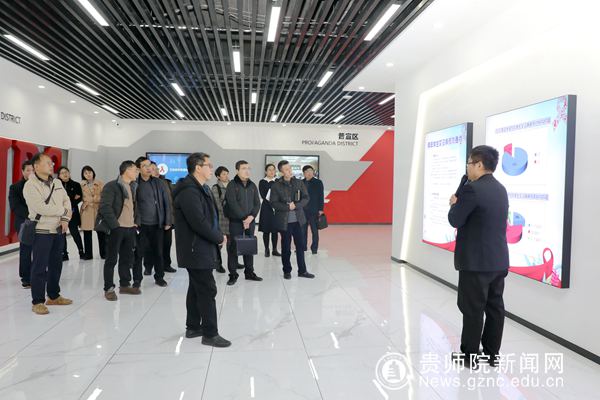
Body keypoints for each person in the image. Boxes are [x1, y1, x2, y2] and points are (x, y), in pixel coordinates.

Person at [448, 145, 509, 369]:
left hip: (475, 263)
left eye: (469, 164)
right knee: (495, 308)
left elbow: (455, 220)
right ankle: (492, 354)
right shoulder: (501, 189)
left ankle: (469, 356)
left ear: (479, 165)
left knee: (473, 309)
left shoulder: (472, 190)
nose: (468, 168)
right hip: (498, 260)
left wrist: (454, 204)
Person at [173, 152, 231, 347]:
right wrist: (218, 237)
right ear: (198, 168)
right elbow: (198, 222)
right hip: (195, 248)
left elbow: (211, 217)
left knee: (196, 288)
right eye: (209, 165)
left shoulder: (202, 188)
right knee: (207, 289)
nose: (212, 168)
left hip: (201, 246)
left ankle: (193, 327)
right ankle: (210, 334)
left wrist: (217, 234)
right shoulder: (189, 192)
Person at [23, 153, 73, 315]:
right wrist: (63, 211)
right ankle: (37, 301)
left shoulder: (57, 182)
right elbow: (40, 208)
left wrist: (65, 219)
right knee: (39, 266)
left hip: (58, 229)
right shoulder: (30, 185)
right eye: (47, 163)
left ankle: (53, 296)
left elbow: (67, 201)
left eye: (51, 163)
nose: (51, 165)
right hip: (42, 231)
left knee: (56, 265)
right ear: (36, 166)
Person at [98, 160, 140, 301]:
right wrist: (115, 226)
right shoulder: (112, 186)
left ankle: (124, 285)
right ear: (126, 170)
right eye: (134, 169)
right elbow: (105, 207)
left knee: (127, 259)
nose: (137, 172)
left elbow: (134, 207)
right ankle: (109, 288)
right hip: (116, 228)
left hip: (130, 228)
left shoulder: (133, 186)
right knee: (111, 259)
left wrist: (135, 223)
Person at [270, 160, 315, 279]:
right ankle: (287, 271)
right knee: (286, 248)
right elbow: (273, 203)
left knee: (300, 246)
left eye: (290, 168)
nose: (290, 171)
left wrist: (296, 205)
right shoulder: (276, 186)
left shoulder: (299, 182)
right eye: (286, 169)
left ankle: (302, 271)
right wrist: (287, 207)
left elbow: (306, 198)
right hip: (284, 222)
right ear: (281, 172)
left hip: (299, 221)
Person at [134, 156, 173, 287]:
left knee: (158, 252)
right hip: (140, 225)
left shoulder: (158, 183)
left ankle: (159, 277)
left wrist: (168, 221)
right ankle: (137, 279)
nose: (149, 168)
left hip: (157, 224)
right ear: (138, 169)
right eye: (144, 166)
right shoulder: (135, 184)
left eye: (149, 165)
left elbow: (167, 203)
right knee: (138, 253)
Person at [224, 160, 263, 286]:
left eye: (248, 168)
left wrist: (251, 217)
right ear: (237, 170)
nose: (247, 171)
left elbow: (257, 203)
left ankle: (249, 273)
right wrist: (243, 218)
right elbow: (232, 203)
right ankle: (233, 274)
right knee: (233, 248)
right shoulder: (232, 185)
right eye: (243, 168)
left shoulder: (252, 185)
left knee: (248, 247)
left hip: (250, 222)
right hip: (236, 222)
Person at [211, 166, 245, 274]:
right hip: (222, 219)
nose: (226, 176)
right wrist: (231, 210)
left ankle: (235, 262)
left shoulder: (233, 185)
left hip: (233, 219)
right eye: (223, 174)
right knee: (219, 243)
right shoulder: (215, 188)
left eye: (227, 173)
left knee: (233, 242)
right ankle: (217, 264)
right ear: (218, 176)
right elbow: (217, 205)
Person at [9, 160, 34, 288]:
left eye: (33, 170)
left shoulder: (40, 185)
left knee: (40, 250)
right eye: (28, 170)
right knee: (26, 250)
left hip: (41, 222)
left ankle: (38, 274)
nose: (31, 173)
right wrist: (32, 214)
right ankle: (26, 277)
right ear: (23, 171)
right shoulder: (15, 187)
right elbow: (15, 206)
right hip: (25, 222)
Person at [150, 161, 176, 274]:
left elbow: (170, 202)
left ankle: (166, 264)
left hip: (166, 220)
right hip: (151, 220)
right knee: (151, 245)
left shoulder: (166, 183)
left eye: (157, 169)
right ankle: (149, 265)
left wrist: (169, 220)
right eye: (153, 169)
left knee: (166, 244)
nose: (156, 171)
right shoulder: (145, 184)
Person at [57, 166, 85, 260]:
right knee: (62, 234)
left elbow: (79, 198)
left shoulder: (76, 184)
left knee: (75, 233)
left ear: (69, 173)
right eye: (62, 173)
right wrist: (71, 198)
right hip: (60, 213)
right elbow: (57, 200)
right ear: (59, 175)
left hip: (73, 212)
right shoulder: (57, 186)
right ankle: (64, 253)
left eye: (66, 172)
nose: (65, 174)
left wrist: (67, 204)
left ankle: (81, 251)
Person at [80, 165, 106, 260]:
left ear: (93, 173)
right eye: (85, 173)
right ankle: (88, 254)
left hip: (98, 209)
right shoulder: (81, 185)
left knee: (101, 232)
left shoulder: (100, 183)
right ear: (83, 175)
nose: (88, 174)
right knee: (87, 233)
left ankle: (104, 253)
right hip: (87, 210)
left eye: (90, 172)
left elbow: (105, 196)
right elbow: (79, 197)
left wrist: (95, 199)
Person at [258, 163, 281, 257]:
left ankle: (274, 249)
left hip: (277, 208)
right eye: (269, 170)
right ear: (266, 171)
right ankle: (266, 249)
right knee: (266, 230)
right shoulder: (262, 182)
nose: (272, 171)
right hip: (266, 208)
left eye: (273, 170)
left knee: (275, 230)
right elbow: (263, 195)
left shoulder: (278, 181)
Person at [302, 165, 324, 255]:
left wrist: (321, 209)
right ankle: (303, 247)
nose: (310, 172)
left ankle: (314, 248)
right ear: (304, 173)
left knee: (314, 231)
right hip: (303, 211)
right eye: (307, 171)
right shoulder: (301, 182)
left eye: (311, 170)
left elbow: (321, 196)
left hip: (313, 210)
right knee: (302, 230)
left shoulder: (318, 182)